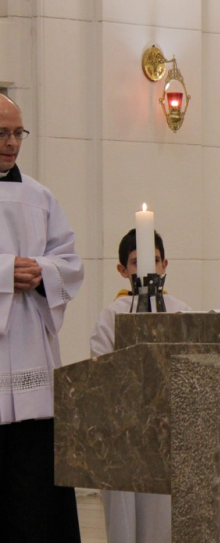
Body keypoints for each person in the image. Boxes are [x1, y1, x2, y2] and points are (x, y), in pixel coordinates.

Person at [0, 95, 84, 542]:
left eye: (18, 133)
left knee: (33, 496)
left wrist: (43, 271)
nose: (11, 143)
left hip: (32, 352)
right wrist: (3, 272)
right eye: (2, 133)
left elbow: (70, 262)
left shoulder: (40, 196)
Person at [90, 229, 189, 543]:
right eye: (136, 262)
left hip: (168, 429)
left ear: (165, 265)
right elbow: (100, 370)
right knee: (124, 521)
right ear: (122, 270)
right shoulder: (111, 315)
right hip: (124, 432)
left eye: (154, 260)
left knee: (165, 520)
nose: (148, 268)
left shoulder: (181, 310)